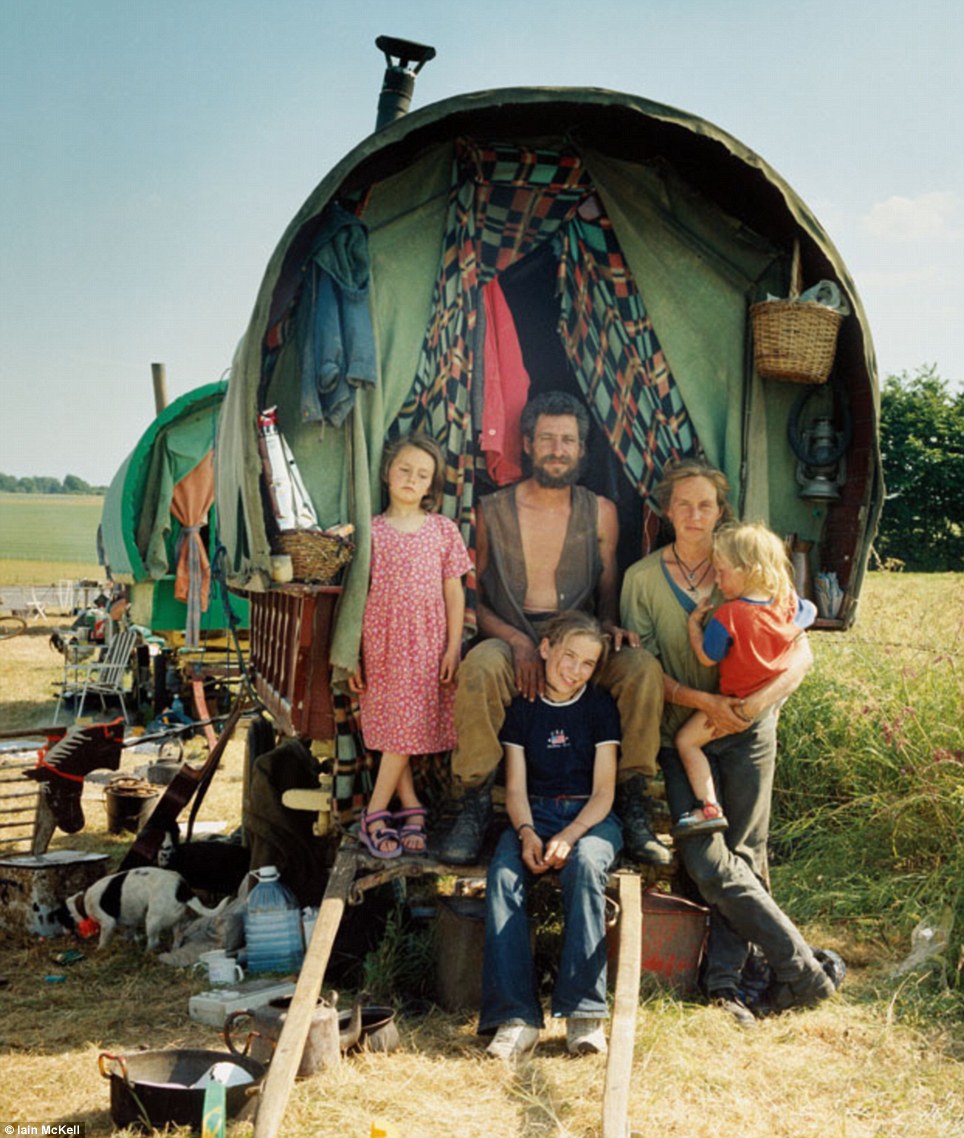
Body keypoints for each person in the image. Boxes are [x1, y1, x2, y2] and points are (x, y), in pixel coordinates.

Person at [620, 458, 838, 1025]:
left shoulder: (747, 572)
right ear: (667, 511)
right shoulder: (642, 579)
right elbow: (645, 671)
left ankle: (725, 985)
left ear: (721, 512)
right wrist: (707, 703)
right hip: (681, 735)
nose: (695, 514)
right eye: (683, 504)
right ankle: (801, 968)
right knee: (708, 860)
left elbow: (800, 651)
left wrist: (754, 706)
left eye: (706, 505)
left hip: (748, 730)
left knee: (745, 853)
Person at [440, 390, 668, 867]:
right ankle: (473, 802)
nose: (557, 450)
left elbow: (607, 594)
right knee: (479, 667)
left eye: (567, 440)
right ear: (527, 444)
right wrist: (519, 642)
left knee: (641, 668)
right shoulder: (491, 511)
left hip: (578, 643)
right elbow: (474, 599)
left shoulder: (600, 511)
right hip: (508, 637)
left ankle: (632, 800)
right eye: (546, 439)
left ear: (583, 449)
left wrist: (610, 629)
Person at [480, 612, 623, 1059]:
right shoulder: (523, 709)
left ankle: (584, 1014)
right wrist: (526, 832)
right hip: (535, 813)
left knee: (586, 865)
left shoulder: (599, 707)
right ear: (545, 649)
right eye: (569, 656)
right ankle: (515, 1018)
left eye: (588, 663)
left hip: (589, 816)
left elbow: (604, 793)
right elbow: (516, 790)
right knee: (504, 876)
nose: (575, 670)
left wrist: (571, 835)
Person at [349, 433, 472, 858]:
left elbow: (454, 592)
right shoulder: (369, 531)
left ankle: (381, 810)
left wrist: (453, 646)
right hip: (381, 642)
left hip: (426, 643)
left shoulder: (442, 530)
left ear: (431, 485)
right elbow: (355, 596)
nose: (411, 479)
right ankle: (398, 808)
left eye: (422, 475)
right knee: (394, 729)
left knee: (408, 725)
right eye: (404, 469)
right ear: (387, 472)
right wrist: (352, 652)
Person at [673, 521, 817, 838]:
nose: (717, 580)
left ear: (748, 570)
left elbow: (707, 657)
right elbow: (809, 613)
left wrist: (693, 626)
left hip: (733, 705)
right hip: (768, 705)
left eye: (722, 572)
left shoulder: (729, 615)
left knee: (686, 741)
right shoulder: (787, 602)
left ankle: (708, 807)